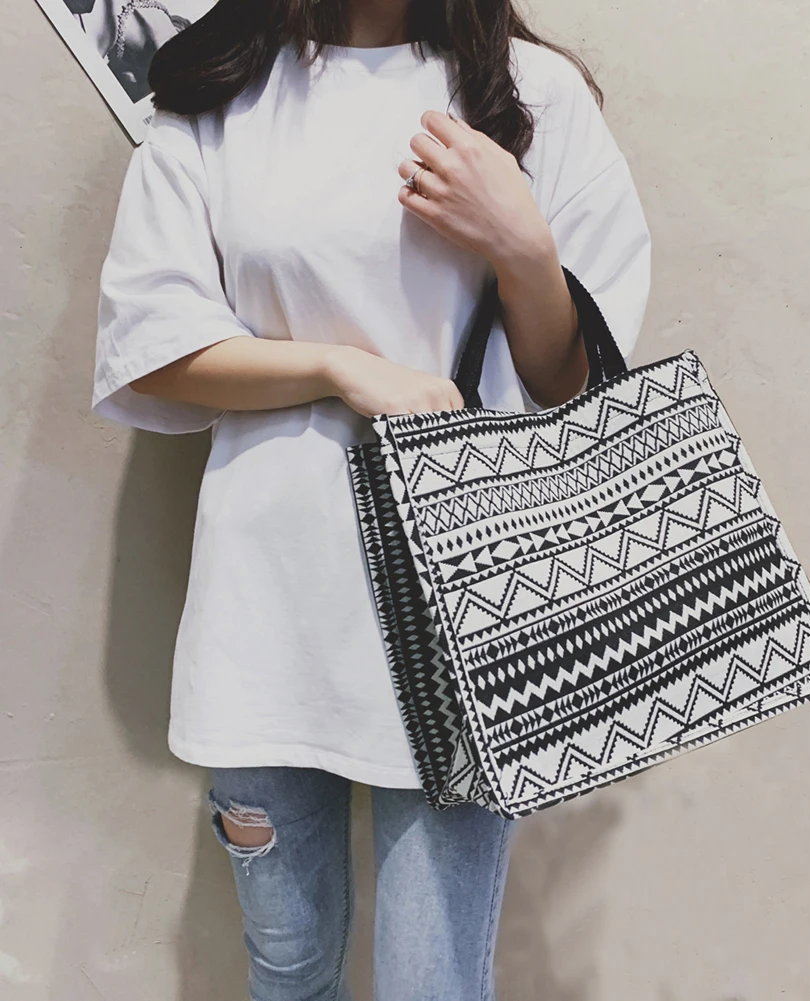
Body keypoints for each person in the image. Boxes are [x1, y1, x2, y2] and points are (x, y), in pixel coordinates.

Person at [91, 0, 651, 997]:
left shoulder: (532, 95)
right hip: (266, 616)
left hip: (463, 617)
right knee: (289, 974)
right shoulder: (222, 89)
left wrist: (522, 248)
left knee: (432, 983)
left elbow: (575, 394)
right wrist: (339, 368)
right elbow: (152, 342)